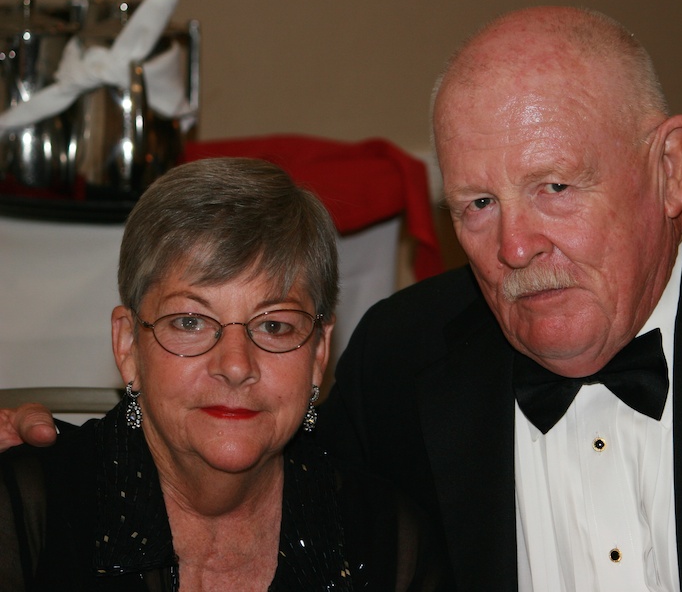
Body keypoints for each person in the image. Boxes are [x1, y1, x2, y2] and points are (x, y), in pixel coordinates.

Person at [3, 6, 682, 591]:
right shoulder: (405, 360)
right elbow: (240, 453)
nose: (514, 247)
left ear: (670, 168)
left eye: (555, 187)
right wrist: (35, 448)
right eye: (477, 203)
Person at [0, 158, 445, 590]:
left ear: (318, 354)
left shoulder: (387, 543)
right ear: (128, 344)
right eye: (190, 321)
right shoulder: (29, 511)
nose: (235, 366)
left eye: (274, 326)